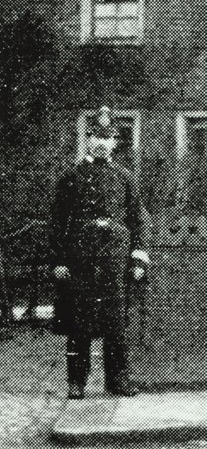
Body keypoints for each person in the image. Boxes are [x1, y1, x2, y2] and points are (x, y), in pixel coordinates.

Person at [49, 106, 150, 399]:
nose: (102, 142)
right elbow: (56, 221)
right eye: (96, 136)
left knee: (116, 324)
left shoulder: (125, 177)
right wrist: (58, 260)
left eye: (109, 138)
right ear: (88, 139)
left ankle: (117, 381)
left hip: (115, 260)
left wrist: (138, 256)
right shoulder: (71, 176)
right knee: (79, 324)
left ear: (115, 143)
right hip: (80, 258)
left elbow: (138, 219)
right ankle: (76, 382)